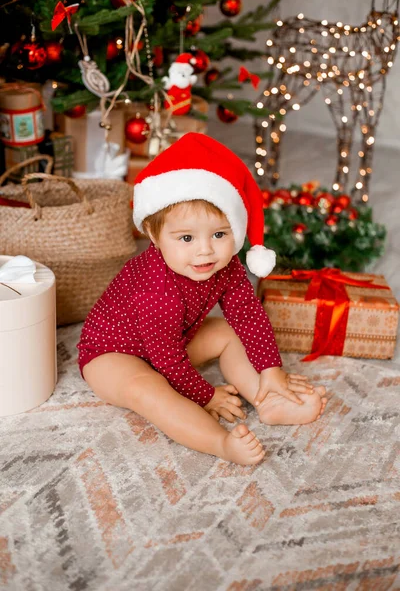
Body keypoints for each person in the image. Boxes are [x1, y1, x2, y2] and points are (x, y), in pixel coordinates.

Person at [77, 133, 327, 465]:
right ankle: (221, 443)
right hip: (113, 355)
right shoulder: (157, 290)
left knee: (230, 331)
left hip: (175, 340)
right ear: (154, 235)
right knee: (150, 390)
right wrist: (206, 395)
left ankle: (267, 398)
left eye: (220, 234)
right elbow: (166, 361)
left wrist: (271, 368)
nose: (205, 250)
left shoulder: (226, 265)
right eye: (186, 238)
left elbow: (248, 314)